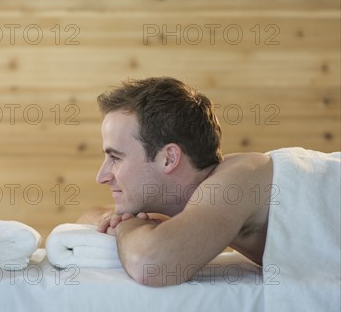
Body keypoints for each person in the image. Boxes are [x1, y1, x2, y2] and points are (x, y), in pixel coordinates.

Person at [78, 77, 340, 289]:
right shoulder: (211, 196)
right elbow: (85, 218)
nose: (102, 176)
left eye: (115, 157)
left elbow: (151, 263)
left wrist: (129, 224)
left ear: (169, 158)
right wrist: (122, 220)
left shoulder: (236, 181)